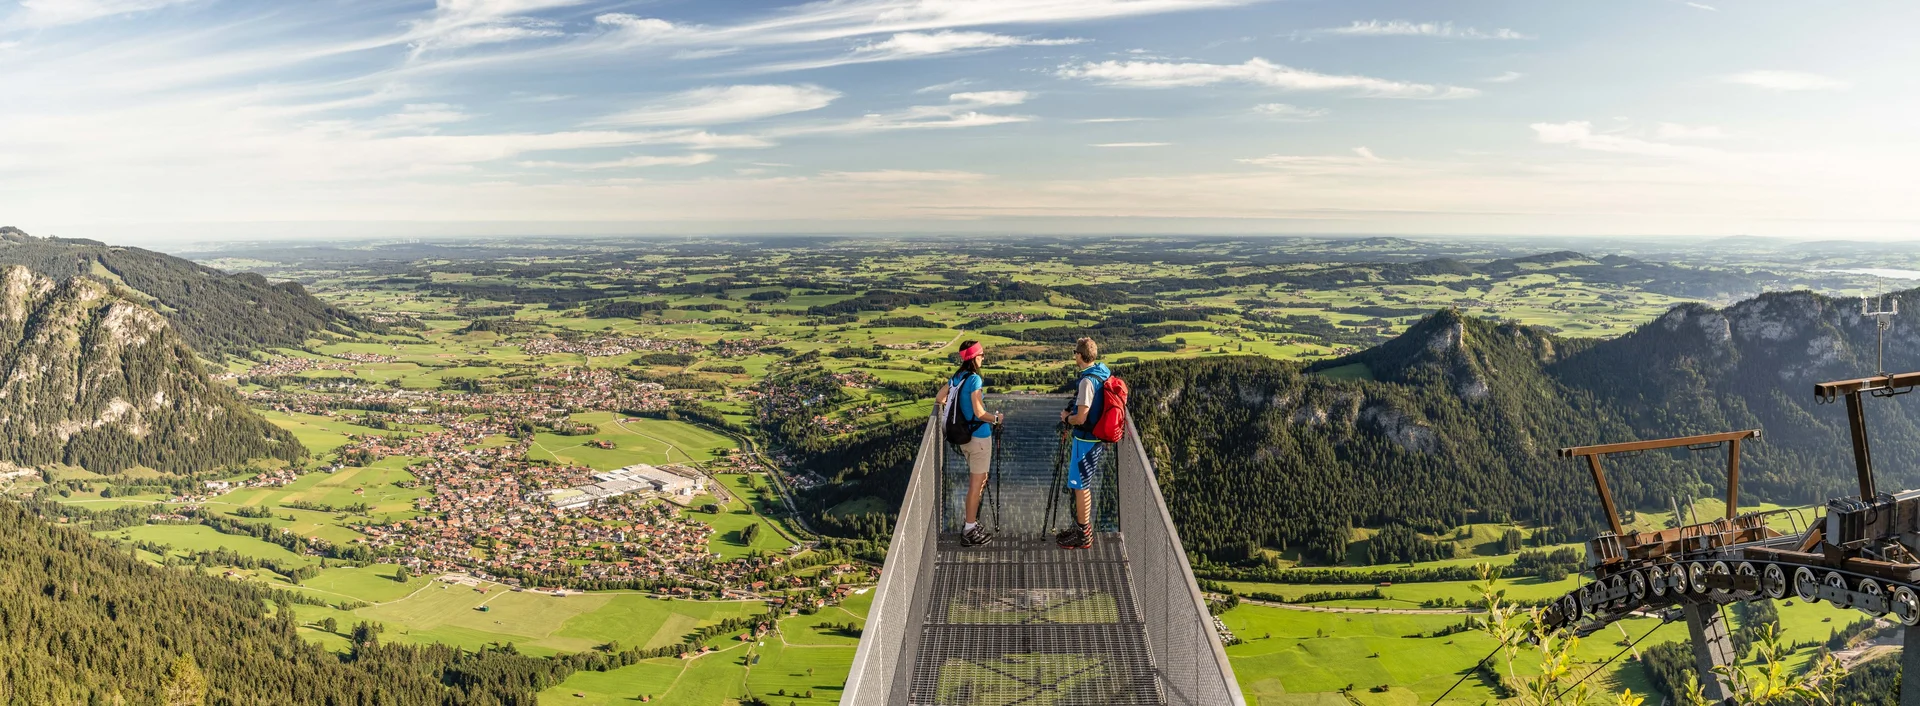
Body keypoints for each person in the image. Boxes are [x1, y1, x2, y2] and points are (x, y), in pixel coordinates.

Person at [935, 340, 1004, 547]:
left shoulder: (956, 377)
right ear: (974, 358)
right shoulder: (974, 379)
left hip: (963, 439)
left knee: (976, 484)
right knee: (977, 486)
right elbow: (979, 412)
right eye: (981, 354)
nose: (983, 357)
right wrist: (997, 419)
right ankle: (969, 529)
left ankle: (971, 524)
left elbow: (939, 398)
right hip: (979, 439)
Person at [1057, 337, 1110, 550]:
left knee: (1081, 486)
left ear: (1079, 355)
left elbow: (1081, 418)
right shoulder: (1102, 372)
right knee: (1082, 485)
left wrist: (1066, 418)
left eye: (1075, 352)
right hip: (1094, 439)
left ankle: (1083, 534)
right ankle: (1080, 528)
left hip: (1086, 440)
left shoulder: (1088, 382)